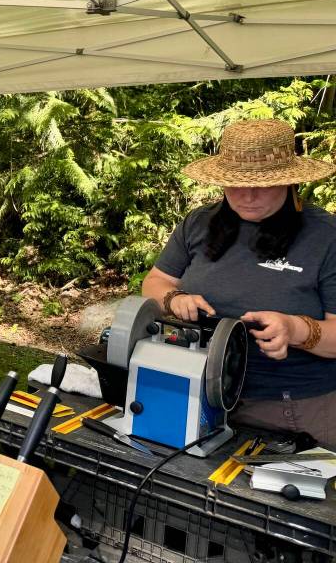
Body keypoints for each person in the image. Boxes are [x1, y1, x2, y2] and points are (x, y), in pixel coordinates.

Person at [142, 119, 336, 446]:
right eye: (234, 184)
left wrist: (294, 329)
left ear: (289, 182)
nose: (246, 196)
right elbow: (155, 281)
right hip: (195, 391)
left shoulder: (325, 237)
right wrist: (174, 299)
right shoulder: (199, 223)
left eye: (262, 186)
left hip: (291, 408)